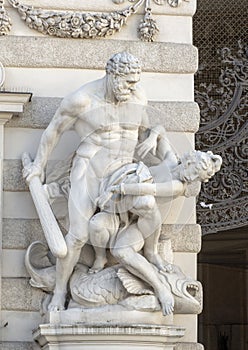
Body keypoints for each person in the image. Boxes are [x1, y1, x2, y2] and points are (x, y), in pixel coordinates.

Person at [24, 52, 173, 312]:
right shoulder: (81, 101)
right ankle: (60, 293)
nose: (133, 87)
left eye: (136, 81)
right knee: (78, 235)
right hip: (89, 172)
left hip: (124, 173)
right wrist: (38, 165)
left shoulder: (137, 97)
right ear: (112, 75)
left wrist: (168, 157)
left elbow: (147, 132)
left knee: (147, 205)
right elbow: (53, 132)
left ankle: (150, 256)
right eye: (127, 81)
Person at [88, 150, 222, 314]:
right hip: (122, 212)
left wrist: (117, 189)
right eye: (195, 172)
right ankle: (100, 257)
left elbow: (147, 189)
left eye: (198, 178)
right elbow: (159, 136)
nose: (192, 179)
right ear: (189, 162)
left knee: (124, 250)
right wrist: (153, 136)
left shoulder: (178, 186)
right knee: (95, 225)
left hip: (146, 221)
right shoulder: (170, 159)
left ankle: (160, 288)